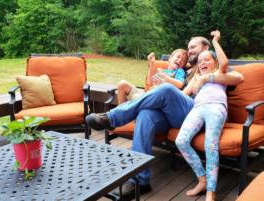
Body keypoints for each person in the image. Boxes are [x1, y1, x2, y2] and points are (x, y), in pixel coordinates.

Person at [86, 33, 244, 200]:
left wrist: (206, 77)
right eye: (188, 47)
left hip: (197, 113)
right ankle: (139, 181)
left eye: (193, 47)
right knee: (146, 115)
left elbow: (237, 78)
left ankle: (113, 119)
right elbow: (174, 88)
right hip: (174, 114)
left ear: (206, 48)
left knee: (167, 89)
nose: (189, 51)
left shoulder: (213, 66)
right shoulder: (183, 70)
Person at [176, 30, 227, 201]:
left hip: (216, 107)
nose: (203, 62)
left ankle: (211, 191)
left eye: (207, 59)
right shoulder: (197, 77)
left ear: (215, 62)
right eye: (200, 61)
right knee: (181, 140)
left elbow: (224, 61)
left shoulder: (220, 74)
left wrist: (216, 42)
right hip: (197, 109)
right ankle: (202, 179)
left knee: (210, 145)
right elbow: (182, 95)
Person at [117, 49, 188, 104]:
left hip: (158, 98)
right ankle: (121, 114)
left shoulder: (179, 71)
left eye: (183, 60)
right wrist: (152, 63)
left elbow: (180, 84)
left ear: (184, 65)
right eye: (178, 57)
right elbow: (150, 83)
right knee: (122, 84)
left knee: (136, 97)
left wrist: (163, 77)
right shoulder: (162, 71)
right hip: (148, 94)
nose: (180, 60)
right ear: (170, 58)